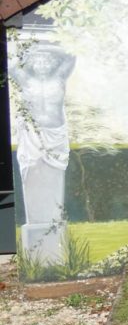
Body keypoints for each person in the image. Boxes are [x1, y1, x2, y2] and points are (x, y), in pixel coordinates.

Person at [12, 44, 75, 226]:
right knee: (32, 174)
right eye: (38, 61)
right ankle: (36, 221)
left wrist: (43, 47)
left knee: (54, 180)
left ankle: (53, 221)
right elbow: (11, 66)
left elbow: (71, 55)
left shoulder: (60, 77)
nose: (42, 65)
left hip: (55, 135)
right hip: (33, 137)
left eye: (46, 61)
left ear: (53, 63)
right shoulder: (25, 80)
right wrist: (29, 51)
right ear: (32, 63)